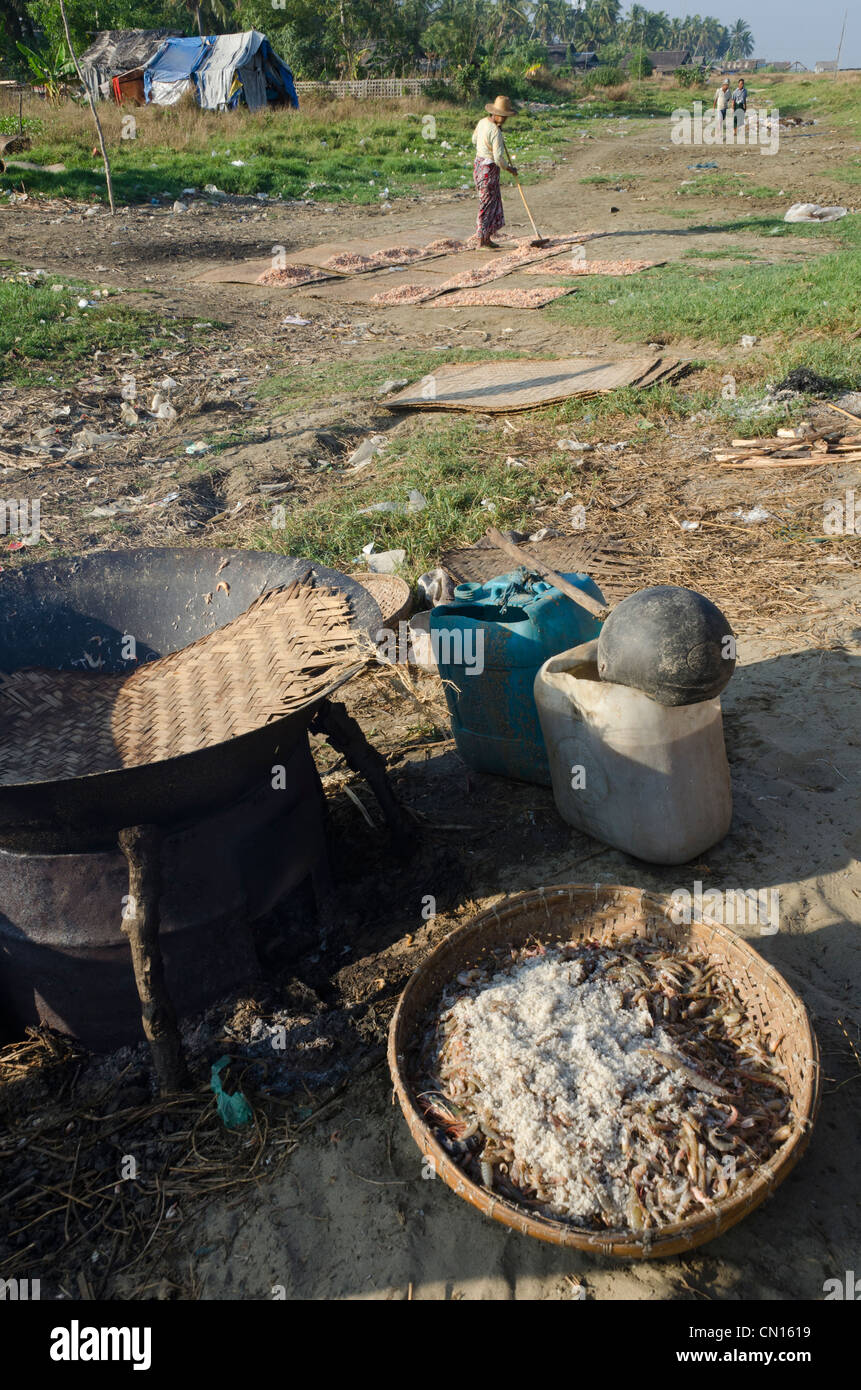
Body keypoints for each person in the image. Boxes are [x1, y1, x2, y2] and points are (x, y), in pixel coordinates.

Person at [471, 95, 519, 250]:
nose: (505, 120)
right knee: (486, 204)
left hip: (479, 166)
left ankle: (487, 238)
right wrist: (510, 169)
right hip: (488, 169)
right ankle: (480, 240)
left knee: (492, 203)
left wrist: (485, 145)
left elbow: (474, 139)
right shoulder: (496, 132)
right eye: (504, 117)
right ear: (497, 115)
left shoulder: (482, 123)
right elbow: (498, 158)